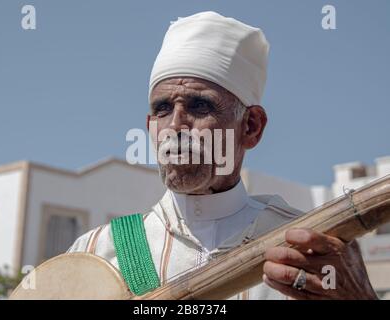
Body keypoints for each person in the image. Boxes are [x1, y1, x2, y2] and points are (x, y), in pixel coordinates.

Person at [68, 11, 376, 300]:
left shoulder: (310, 256)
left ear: (251, 127)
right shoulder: (98, 253)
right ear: (150, 126)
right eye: (162, 109)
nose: (175, 125)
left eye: (200, 106)